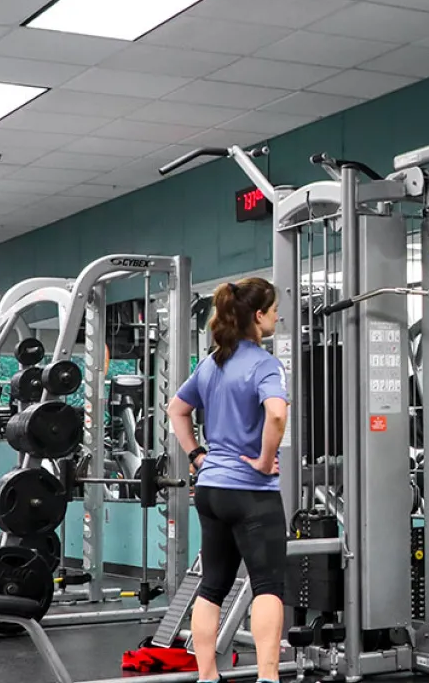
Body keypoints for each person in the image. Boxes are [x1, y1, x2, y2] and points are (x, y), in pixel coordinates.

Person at [166, 277, 290, 683]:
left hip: (211, 489)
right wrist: (264, 460)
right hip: (250, 491)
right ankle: (268, 677)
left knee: (213, 585)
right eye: (273, 310)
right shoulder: (264, 363)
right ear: (257, 316)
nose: (278, 315)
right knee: (268, 585)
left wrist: (196, 454)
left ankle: (207, 676)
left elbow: (175, 409)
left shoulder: (212, 362)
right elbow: (275, 414)